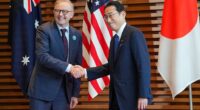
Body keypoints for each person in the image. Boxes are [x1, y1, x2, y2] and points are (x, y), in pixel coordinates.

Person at [71, 1, 152, 110]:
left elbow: (143, 66)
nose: (108, 20)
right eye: (106, 17)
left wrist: (143, 95)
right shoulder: (114, 39)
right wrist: (85, 72)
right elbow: (110, 67)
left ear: (123, 14)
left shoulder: (134, 34)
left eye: (111, 15)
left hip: (132, 98)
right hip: (116, 98)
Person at [28, 0, 82, 110]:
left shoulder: (76, 34)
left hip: (64, 92)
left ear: (72, 14)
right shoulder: (44, 30)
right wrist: (69, 68)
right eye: (57, 10)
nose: (60, 14)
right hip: (42, 91)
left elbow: (77, 64)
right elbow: (43, 56)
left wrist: (75, 93)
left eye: (64, 11)